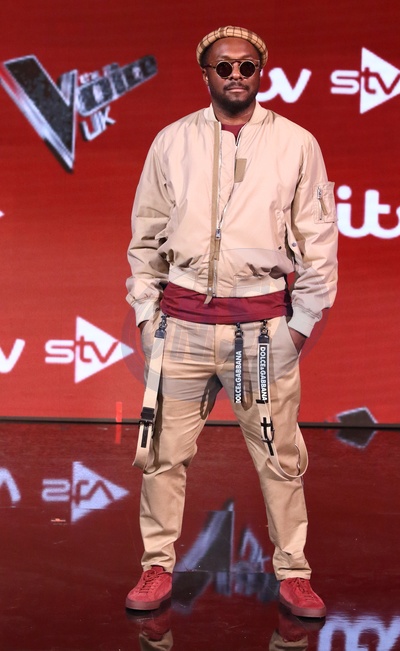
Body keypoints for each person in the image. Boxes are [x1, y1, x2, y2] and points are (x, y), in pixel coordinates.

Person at [125, 25, 338, 619]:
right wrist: (146, 317)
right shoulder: (172, 141)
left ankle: (294, 573)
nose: (236, 75)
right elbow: (145, 238)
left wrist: (299, 326)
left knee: (280, 458)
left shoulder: (296, 143)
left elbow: (319, 242)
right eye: (224, 67)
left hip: (261, 333)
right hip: (181, 328)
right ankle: (156, 566)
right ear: (206, 74)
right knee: (161, 456)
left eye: (247, 66)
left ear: (260, 73)